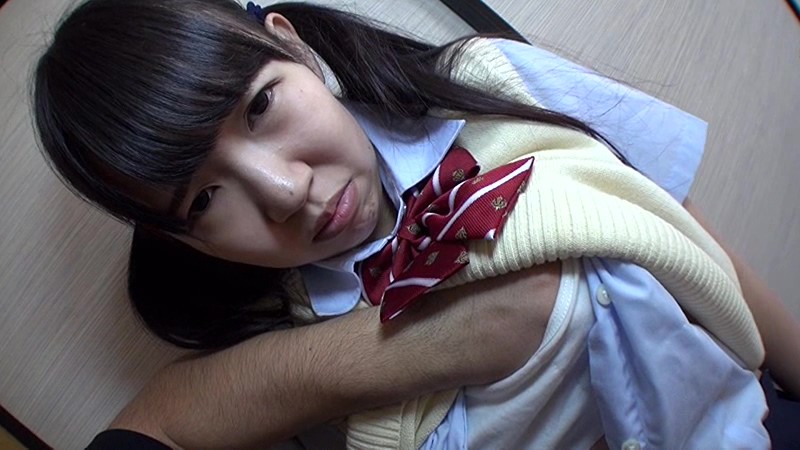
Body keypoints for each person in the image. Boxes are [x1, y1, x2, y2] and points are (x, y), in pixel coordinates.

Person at [31, 0, 800, 448]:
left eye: (260, 105)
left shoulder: (492, 81)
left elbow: (674, 218)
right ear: (181, 240)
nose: (284, 191)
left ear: (292, 44)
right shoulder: (288, 349)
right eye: (201, 201)